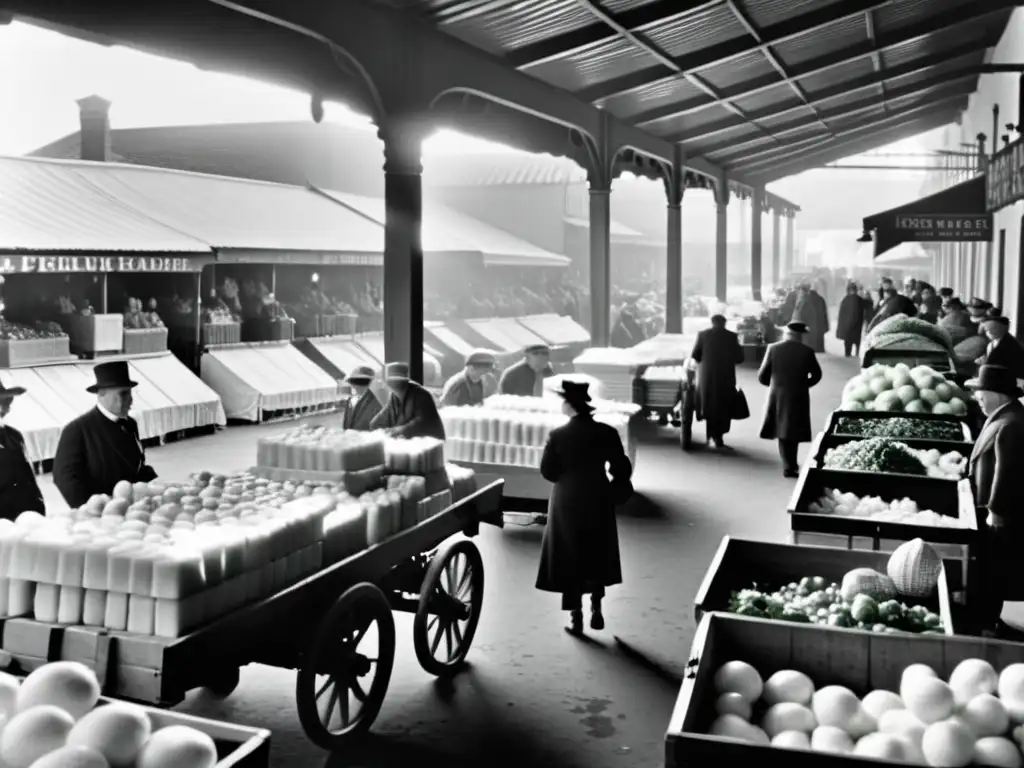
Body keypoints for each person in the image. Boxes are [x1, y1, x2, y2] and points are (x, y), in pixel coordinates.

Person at [535, 381, 632, 637]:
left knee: (570, 553)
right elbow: (621, 467)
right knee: (597, 549)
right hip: (597, 495)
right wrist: (614, 486)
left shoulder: (558, 435)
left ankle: (575, 615)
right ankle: (596, 607)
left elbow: (548, 472)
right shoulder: (607, 432)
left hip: (567, 498)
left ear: (569, 405)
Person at [965, 365, 1024, 636]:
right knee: (991, 572)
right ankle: (989, 620)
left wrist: (996, 513)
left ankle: (993, 626)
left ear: (998, 393)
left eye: (981, 392)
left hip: (999, 519)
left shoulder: (1012, 423)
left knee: (997, 573)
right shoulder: (1003, 415)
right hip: (990, 514)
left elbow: (1007, 470)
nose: (977, 397)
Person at [53, 361, 158, 509]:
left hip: (135, 508)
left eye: (130, 393)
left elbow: (137, 467)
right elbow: (64, 478)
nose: (130, 400)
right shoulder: (77, 429)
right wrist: (91, 509)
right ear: (102, 394)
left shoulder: (130, 424)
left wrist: (156, 487)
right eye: (123, 394)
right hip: (103, 513)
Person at [757, 322, 823, 478]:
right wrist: (803, 385)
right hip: (798, 395)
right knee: (793, 430)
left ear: (787, 334)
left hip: (777, 395)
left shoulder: (773, 349)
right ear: (800, 336)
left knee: (782, 430)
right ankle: (790, 464)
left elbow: (762, 376)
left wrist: (775, 385)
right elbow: (817, 375)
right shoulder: (807, 351)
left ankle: (788, 465)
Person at [690, 314, 744, 450]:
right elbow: (739, 358)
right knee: (724, 405)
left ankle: (709, 436)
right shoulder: (732, 336)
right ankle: (719, 437)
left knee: (709, 404)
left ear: (712, 322)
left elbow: (695, 355)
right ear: (724, 323)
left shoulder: (703, 335)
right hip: (726, 377)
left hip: (707, 377)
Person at [0, 379, 44, 517]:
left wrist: (38, 508)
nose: (7, 407)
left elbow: (28, 477)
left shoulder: (14, 435)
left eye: (7, 402)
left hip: (24, 517)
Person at [369, 362, 445, 440]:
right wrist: (375, 426)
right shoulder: (394, 396)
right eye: (391, 380)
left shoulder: (420, 394)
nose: (393, 384)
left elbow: (422, 422)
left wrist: (398, 430)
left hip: (430, 442)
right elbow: (384, 415)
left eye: (397, 379)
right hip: (412, 440)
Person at [341, 365, 383, 431]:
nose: (353, 385)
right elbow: (345, 425)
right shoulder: (350, 401)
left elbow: (377, 430)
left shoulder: (375, 403)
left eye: (355, 382)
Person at [836, 282, 866, 358]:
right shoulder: (860, 300)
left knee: (848, 346)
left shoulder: (845, 300)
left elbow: (841, 315)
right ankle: (857, 353)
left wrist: (840, 328)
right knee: (857, 342)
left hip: (847, 328)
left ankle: (848, 354)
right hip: (857, 327)